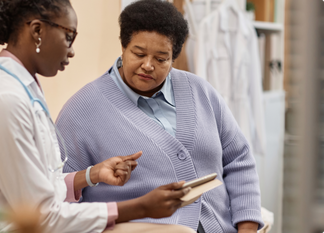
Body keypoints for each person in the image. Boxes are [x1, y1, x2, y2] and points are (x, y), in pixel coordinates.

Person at [0, 0, 196, 232]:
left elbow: (39, 186)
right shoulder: (5, 99)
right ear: (37, 31)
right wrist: (140, 207)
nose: (72, 51)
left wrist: (91, 175)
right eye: (69, 37)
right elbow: (42, 215)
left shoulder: (22, 87)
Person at [56, 1, 264, 233]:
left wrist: (247, 227)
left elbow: (239, 160)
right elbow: (57, 194)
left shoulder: (200, 91)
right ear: (123, 47)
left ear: (173, 58)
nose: (148, 65)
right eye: (139, 53)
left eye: (161, 58)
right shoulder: (81, 111)